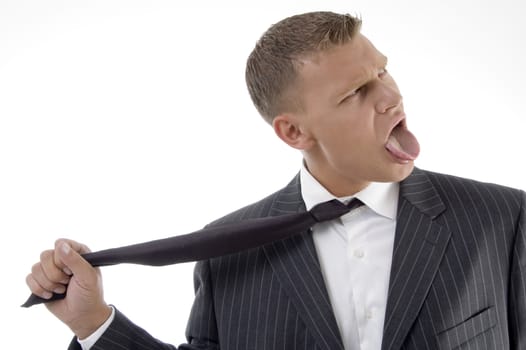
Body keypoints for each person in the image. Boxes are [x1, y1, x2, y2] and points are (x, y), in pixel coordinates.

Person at [26, 11, 525, 350]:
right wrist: (92, 324)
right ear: (293, 131)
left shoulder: (503, 221)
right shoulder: (228, 249)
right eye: (356, 91)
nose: (390, 98)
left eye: (383, 72)